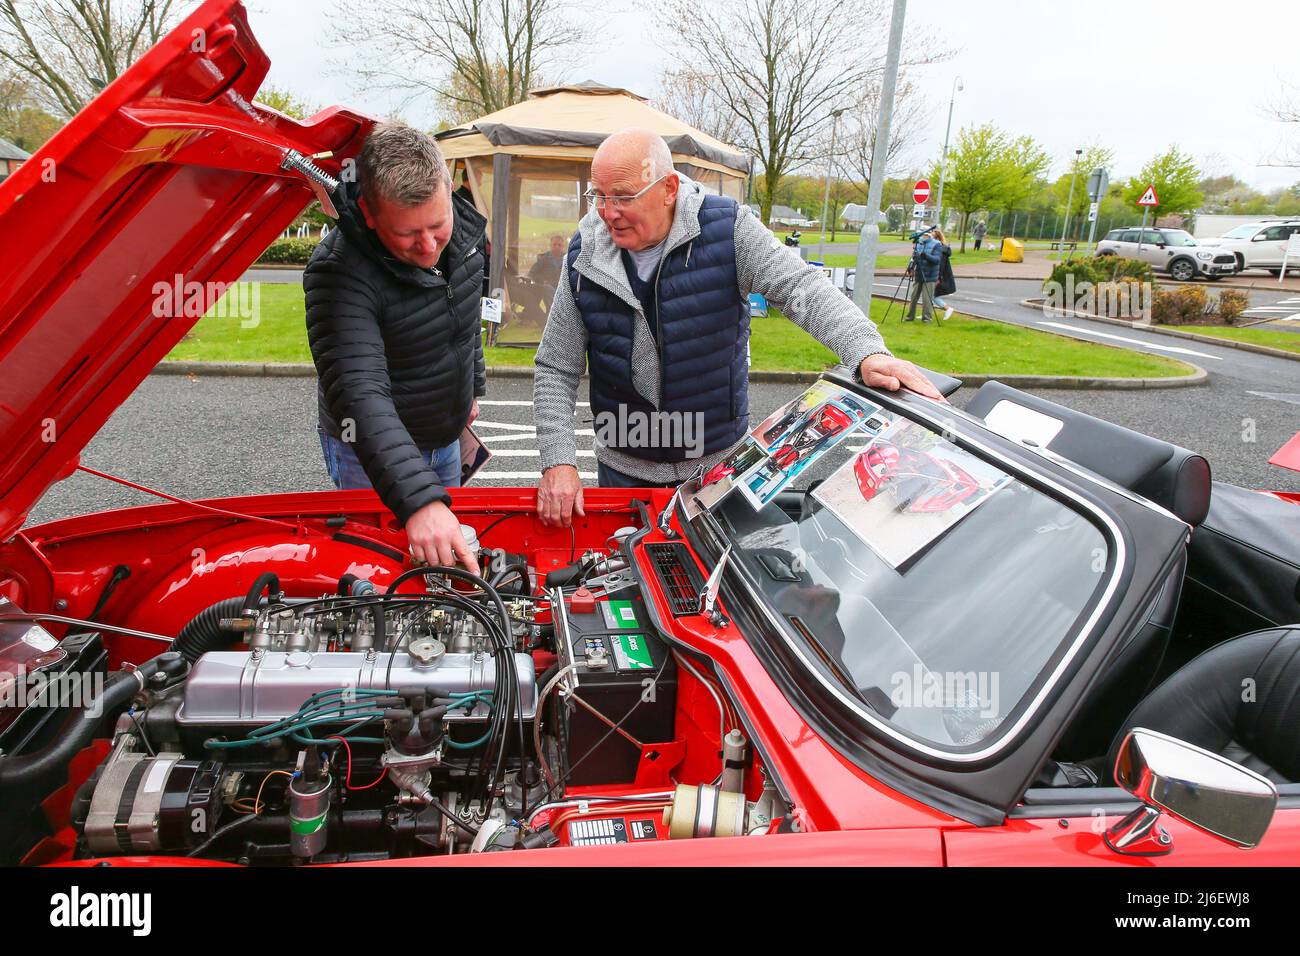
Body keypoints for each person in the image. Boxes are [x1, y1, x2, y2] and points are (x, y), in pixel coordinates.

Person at [532, 127, 942, 527]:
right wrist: (558, 460)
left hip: (718, 468)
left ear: (669, 189)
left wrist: (864, 350)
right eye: (598, 195)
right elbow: (556, 365)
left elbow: (800, 287)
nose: (607, 211)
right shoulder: (585, 252)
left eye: (622, 197)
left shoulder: (728, 230)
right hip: (623, 469)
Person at [304, 122, 486, 571]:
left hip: (445, 440)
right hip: (366, 453)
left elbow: (465, 318)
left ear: (448, 189)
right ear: (368, 212)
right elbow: (358, 394)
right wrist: (420, 502)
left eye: (436, 226)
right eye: (407, 235)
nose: (428, 247)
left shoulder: (463, 232)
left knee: (438, 567)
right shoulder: (338, 271)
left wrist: (471, 387)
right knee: (379, 572)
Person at [905, 226, 943, 323]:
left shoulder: (937, 244)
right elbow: (913, 257)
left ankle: (926, 319)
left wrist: (924, 255)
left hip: (930, 276)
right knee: (913, 297)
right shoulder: (919, 243)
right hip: (919, 274)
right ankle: (910, 317)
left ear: (927, 235)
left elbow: (936, 260)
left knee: (927, 299)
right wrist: (910, 267)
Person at [932, 226, 956, 322]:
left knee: (932, 295)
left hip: (939, 277)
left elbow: (940, 266)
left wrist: (938, 278)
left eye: (932, 237)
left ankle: (947, 308)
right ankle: (926, 313)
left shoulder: (940, 250)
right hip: (940, 276)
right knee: (930, 294)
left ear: (937, 238)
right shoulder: (942, 249)